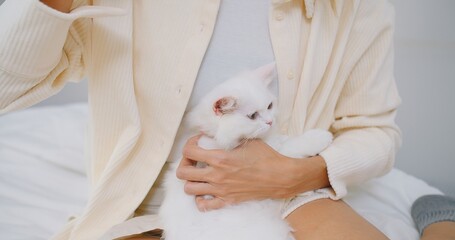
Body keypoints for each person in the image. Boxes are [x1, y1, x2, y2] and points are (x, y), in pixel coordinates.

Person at [0, 0, 427, 239]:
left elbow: (376, 130)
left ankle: (438, 221)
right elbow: (8, 90)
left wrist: (296, 175)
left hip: (292, 192)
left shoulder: (355, 7)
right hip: (143, 202)